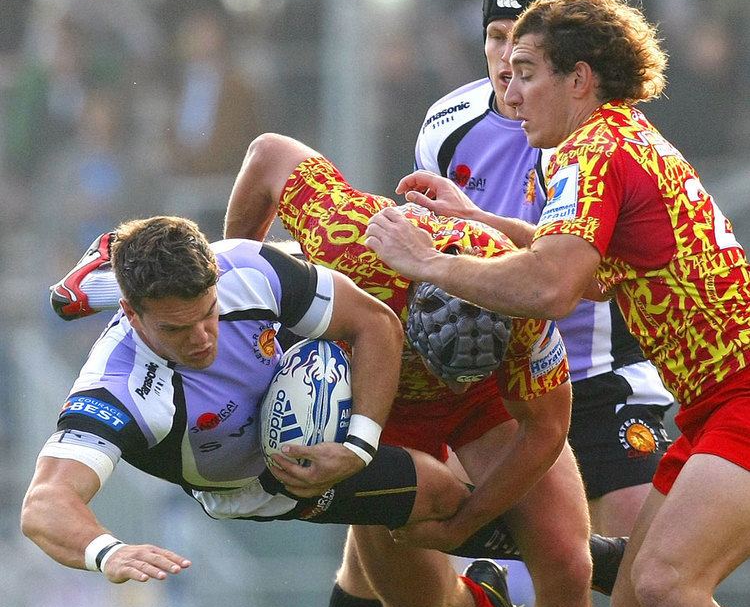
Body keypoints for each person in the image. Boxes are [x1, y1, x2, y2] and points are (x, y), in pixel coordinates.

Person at [365, 0, 750, 607]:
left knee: (659, 587)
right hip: (713, 401)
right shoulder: (601, 146)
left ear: (580, 78)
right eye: (505, 63)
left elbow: (550, 284)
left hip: (743, 394)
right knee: (647, 605)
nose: (510, 82)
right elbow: (584, 262)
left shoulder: (598, 151)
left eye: (529, 70)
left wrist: (430, 258)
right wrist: (473, 223)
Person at [222, 132, 595, 607]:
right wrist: (240, 289)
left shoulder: (519, 299)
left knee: (567, 561)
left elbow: (544, 429)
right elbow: (269, 154)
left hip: (490, 404)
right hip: (378, 389)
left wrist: (464, 520)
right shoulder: (352, 240)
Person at [23, 216, 541, 586]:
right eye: (177, 329)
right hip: (260, 482)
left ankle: (557, 567)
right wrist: (105, 551)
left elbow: (375, 322)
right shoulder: (117, 388)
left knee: (343, 276)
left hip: (291, 372)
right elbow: (44, 504)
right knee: (438, 495)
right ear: (132, 316)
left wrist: (359, 445)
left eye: (208, 313)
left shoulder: (240, 269)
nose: (203, 337)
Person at [414, 0, 673, 538]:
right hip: (495, 375)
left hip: (596, 372)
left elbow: (563, 282)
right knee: (403, 546)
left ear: (568, 67)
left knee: (643, 571)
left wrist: (437, 255)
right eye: (496, 38)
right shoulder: (446, 125)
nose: (507, 62)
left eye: (523, 47)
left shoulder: (597, 139)